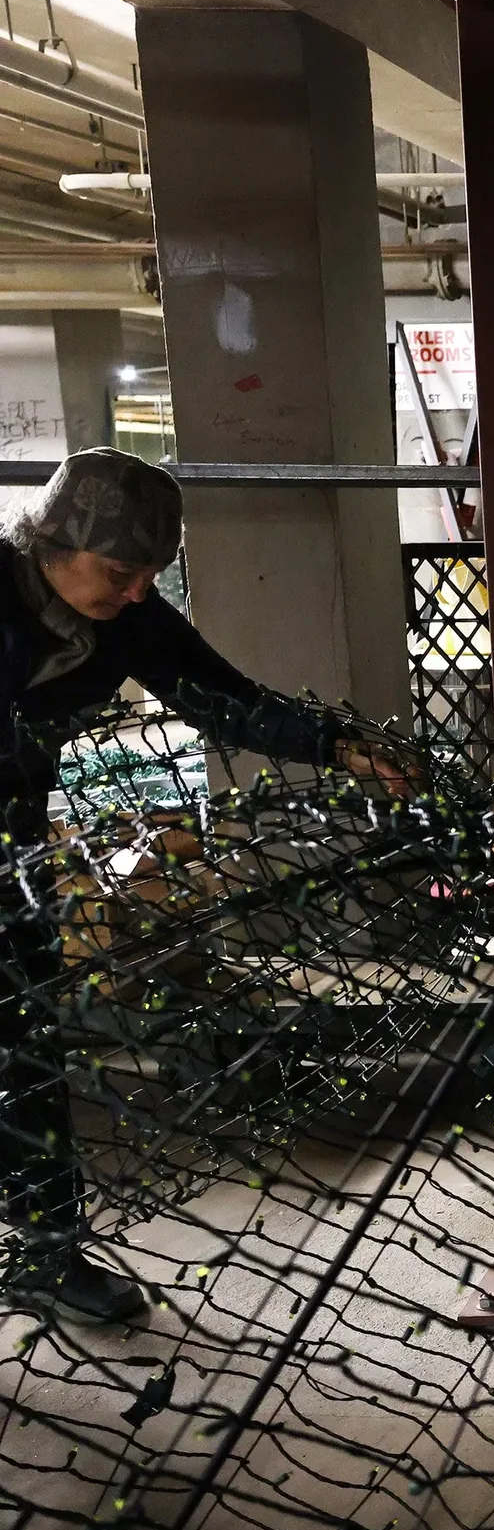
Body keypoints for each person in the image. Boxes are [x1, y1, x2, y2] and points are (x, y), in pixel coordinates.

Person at [0, 447, 411, 1325]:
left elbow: (223, 697)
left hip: (12, 867)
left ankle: (46, 1254)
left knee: (24, 1060)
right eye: (121, 570)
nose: (140, 591)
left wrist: (341, 746)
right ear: (50, 544)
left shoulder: (126, 619)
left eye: (153, 573)